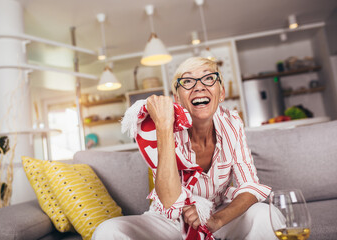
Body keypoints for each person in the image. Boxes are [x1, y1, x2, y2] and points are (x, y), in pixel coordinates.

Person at [92, 57, 276, 240]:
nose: (199, 86)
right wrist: (164, 126)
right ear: (177, 99)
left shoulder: (232, 123)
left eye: (209, 78)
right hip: (167, 223)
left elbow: (249, 186)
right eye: (187, 81)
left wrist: (216, 220)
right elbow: (170, 201)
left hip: (217, 215)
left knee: (266, 214)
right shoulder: (159, 129)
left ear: (221, 93)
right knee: (108, 231)